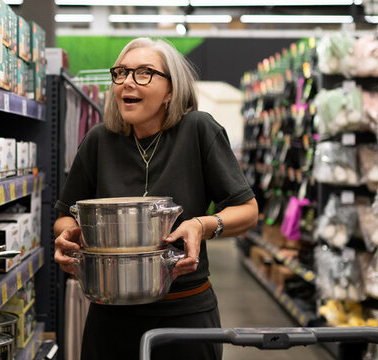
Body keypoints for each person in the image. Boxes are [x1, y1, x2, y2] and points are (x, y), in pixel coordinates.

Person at [53, 37, 258, 360]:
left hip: (185, 313)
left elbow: (247, 211)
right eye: (121, 73)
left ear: (171, 90)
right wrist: (71, 235)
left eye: (144, 73)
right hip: (111, 315)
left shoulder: (198, 130)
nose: (127, 83)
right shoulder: (98, 141)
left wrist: (201, 225)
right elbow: (65, 214)